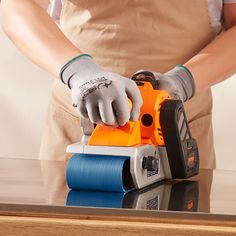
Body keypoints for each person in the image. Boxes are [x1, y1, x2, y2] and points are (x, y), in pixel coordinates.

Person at [1, 0, 236, 169]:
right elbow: (17, 5)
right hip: (78, 129)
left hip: (178, 131)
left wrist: (184, 81)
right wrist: (79, 72)